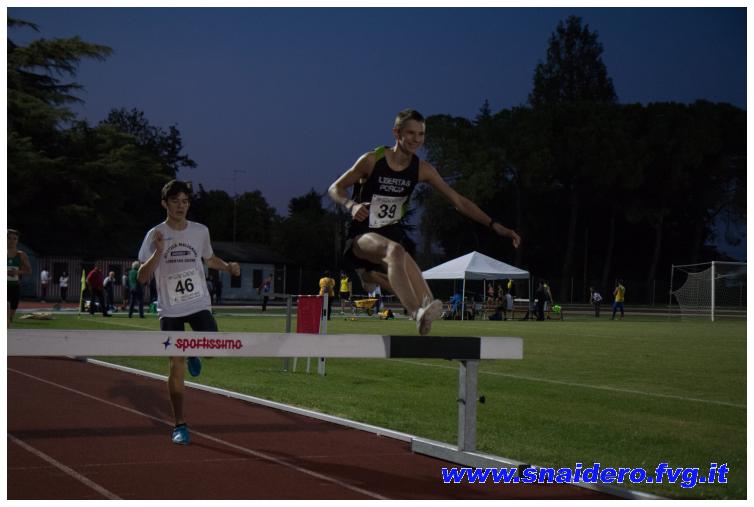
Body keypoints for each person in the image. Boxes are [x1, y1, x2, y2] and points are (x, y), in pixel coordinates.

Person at [328, 109, 521, 335]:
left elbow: (458, 201)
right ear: (396, 133)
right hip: (362, 235)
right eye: (410, 133)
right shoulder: (372, 160)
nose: (416, 139)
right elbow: (335, 188)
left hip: (392, 234)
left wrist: (494, 225)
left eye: (421, 134)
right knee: (395, 252)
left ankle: (386, 288)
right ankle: (414, 312)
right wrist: (351, 205)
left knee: (428, 299)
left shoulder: (422, 169)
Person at [137, 179, 240, 445]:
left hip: (197, 303)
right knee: (176, 365)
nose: (181, 206)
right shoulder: (155, 234)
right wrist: (158, 253)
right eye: (175, 201)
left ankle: (194, 350)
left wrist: (227, 267)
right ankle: (179, 424)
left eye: (185, 201)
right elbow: (142, 277)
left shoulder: (200, 231)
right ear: (165, 204)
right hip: (170, 309)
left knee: (213, 348)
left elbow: (209, 258)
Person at [7, 229, 32, 325]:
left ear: (17, 241)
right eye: (9, 238)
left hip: (14, 286)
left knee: (11, 314)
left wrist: (17, 272)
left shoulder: (21, 255)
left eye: (14, 239)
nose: (12, 241)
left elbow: (29, 271)